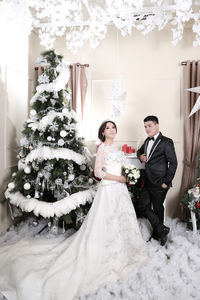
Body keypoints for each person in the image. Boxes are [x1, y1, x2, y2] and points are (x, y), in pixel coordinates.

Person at [0, 120, 147, 300]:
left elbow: (122, 167)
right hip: (109, 189)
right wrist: (120, 178)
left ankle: (124, 246)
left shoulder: (117, 149)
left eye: (113, 127)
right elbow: (98, 172)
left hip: (120, 190)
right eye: (107, 128)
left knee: (121, 218)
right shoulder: (102, 149)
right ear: (102, 133)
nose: (111, 130)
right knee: (106, 220)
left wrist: (128, 175)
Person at [137, 116, 177, 246]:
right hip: (148, 179)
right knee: (142, 205)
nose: (147, 129)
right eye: (145, 126)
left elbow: (174, 163)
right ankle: (161, 229)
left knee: (158, 208)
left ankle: (157, 234)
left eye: (149, 126)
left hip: (160, 181)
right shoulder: (148, 141)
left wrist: (167, 181)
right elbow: (139, 152)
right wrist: (140, 156)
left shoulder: (166, 142)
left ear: (157, 125)